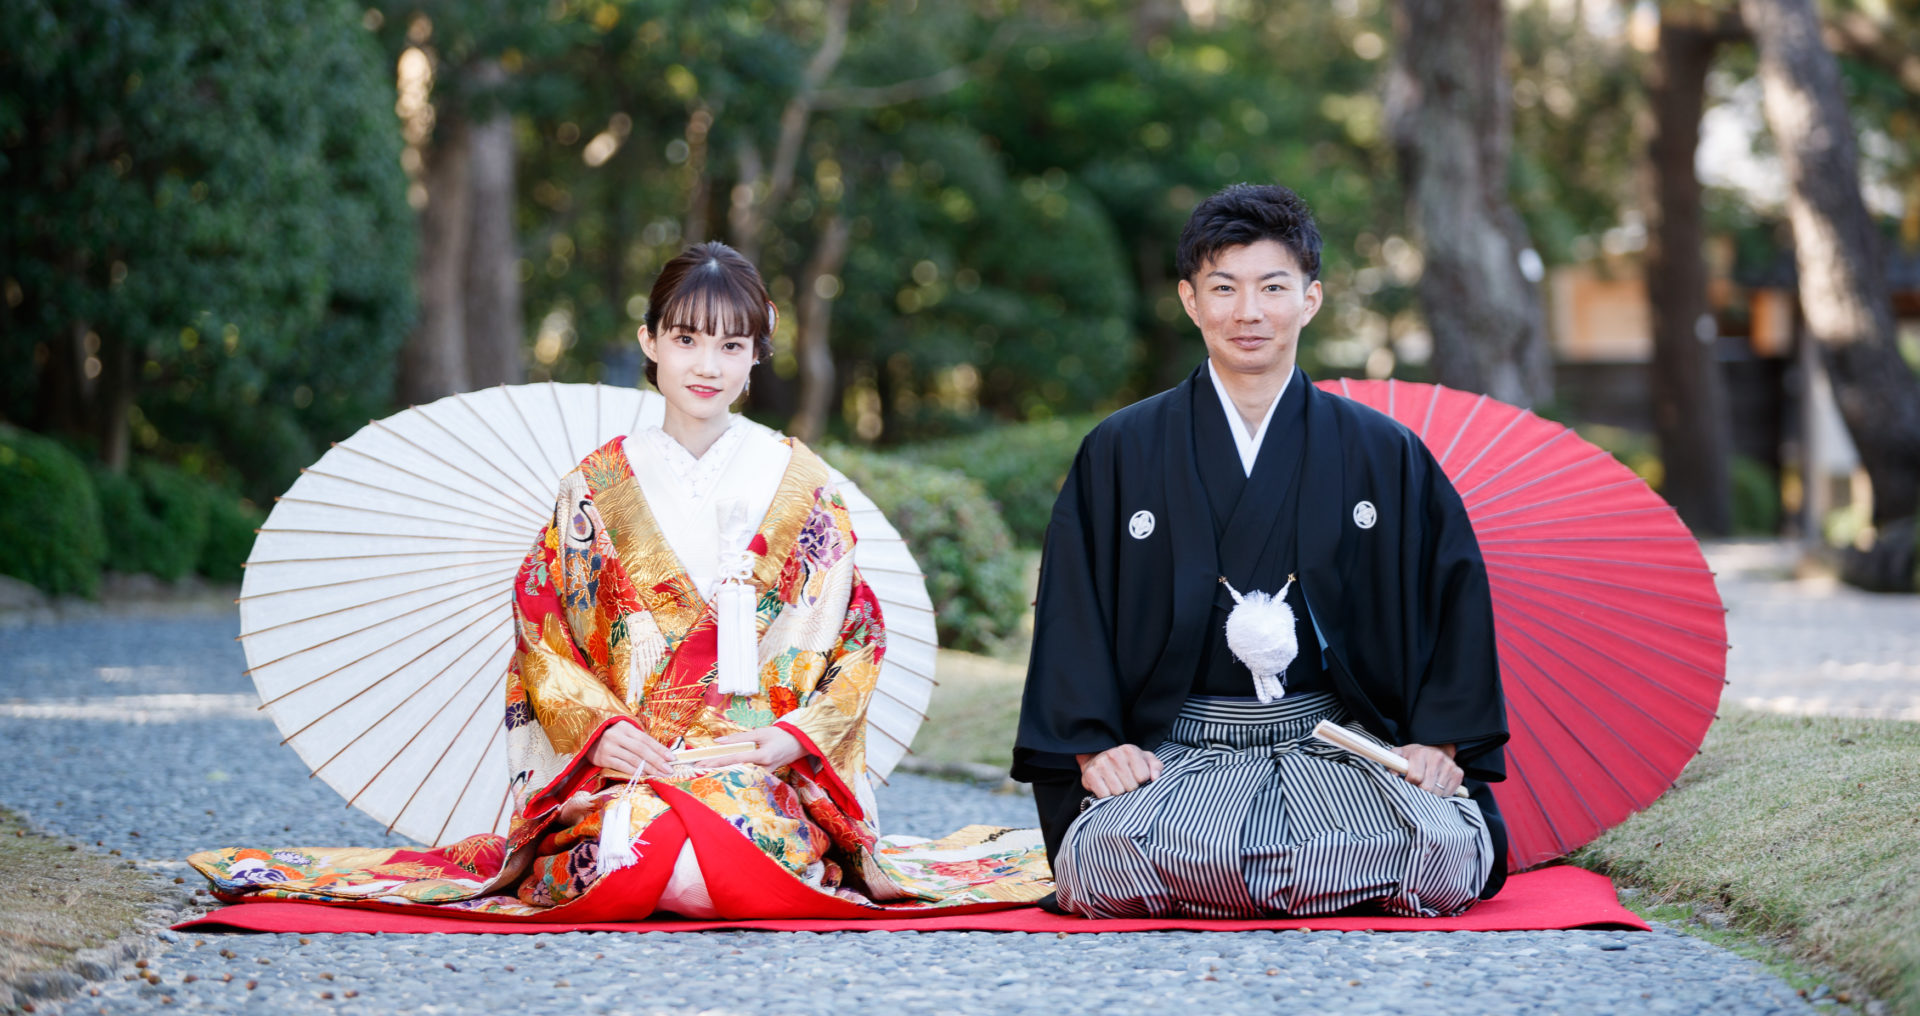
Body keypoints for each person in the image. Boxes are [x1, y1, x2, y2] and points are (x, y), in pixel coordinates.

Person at [192, 242, 1045, 919]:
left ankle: (731, 857)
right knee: (638, 842)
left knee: (716, 843)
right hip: (631, 771)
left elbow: (858, 635)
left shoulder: (803, 487)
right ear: (650, 342)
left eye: (730, 344)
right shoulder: (594, 488)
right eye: (686, 338)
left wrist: (796, 740)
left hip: (760, 768)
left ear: (757, 357)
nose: (706, 363)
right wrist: (599, 735)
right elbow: (545, 634)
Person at [1013, 185, 1510, 920]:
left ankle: (1224, 881)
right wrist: (1093, 748)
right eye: (1224, 288)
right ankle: (1309, 879)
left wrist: (1440, 740)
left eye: (1273, 287)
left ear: (1310, 299)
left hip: (1337, 744)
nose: (1249, 312)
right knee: (1108, 851)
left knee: (1437, 845)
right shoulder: (1123, 450)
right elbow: (1073, 608)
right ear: (1190, 300)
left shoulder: (1383, 452)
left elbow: (1452, 596)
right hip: (1181, 750)